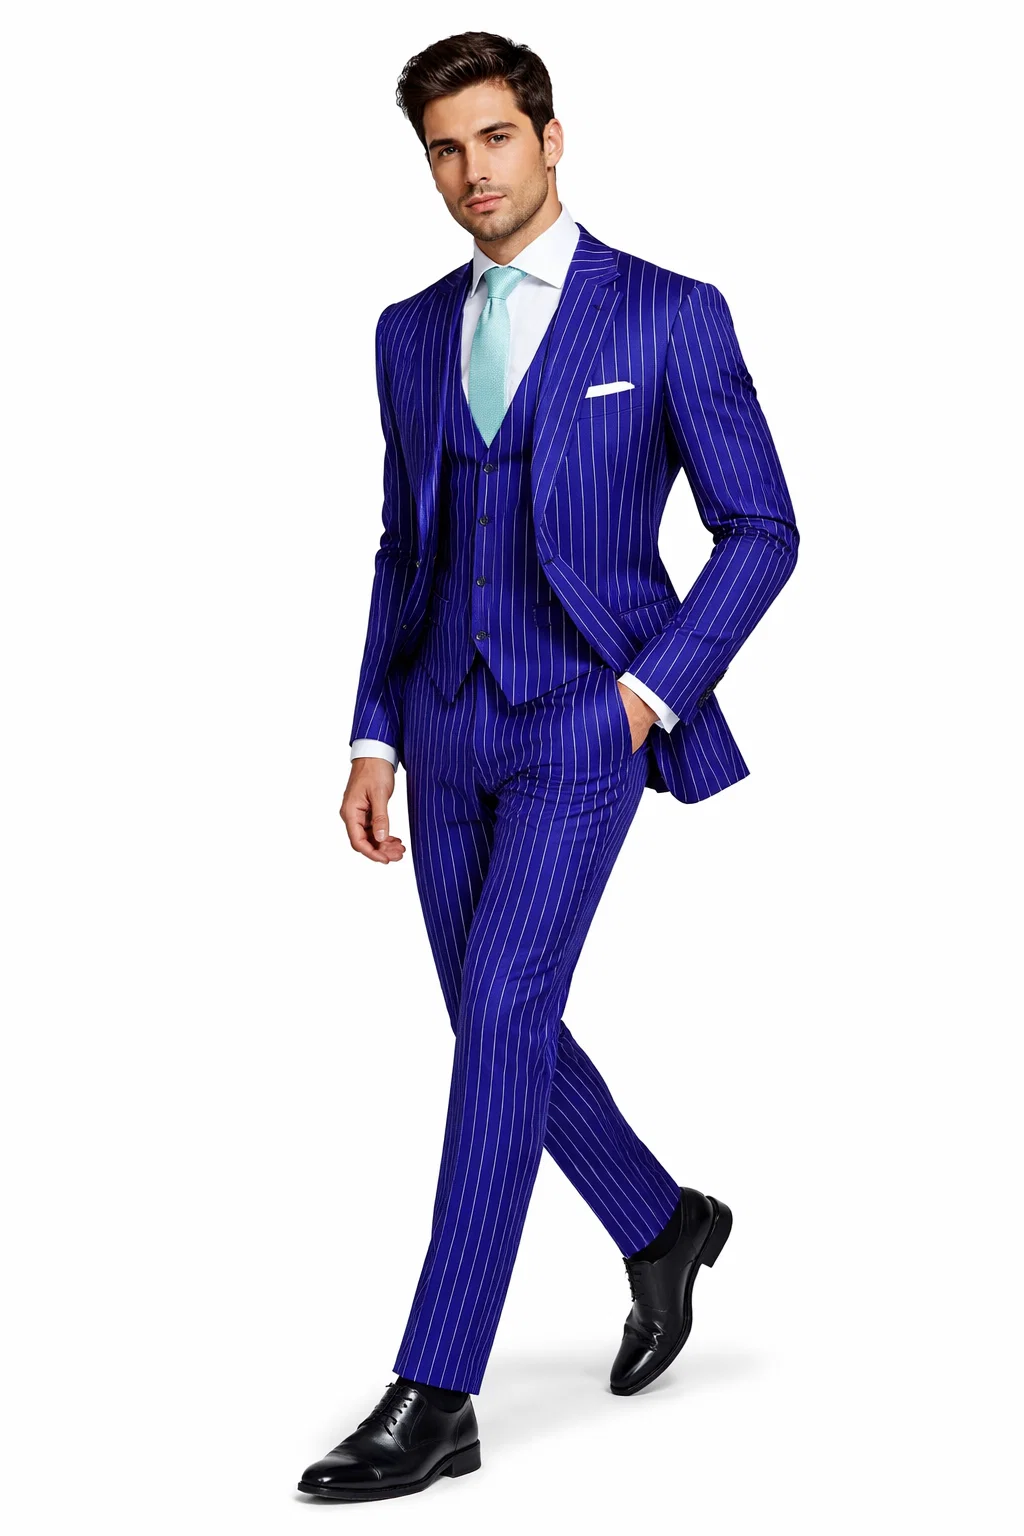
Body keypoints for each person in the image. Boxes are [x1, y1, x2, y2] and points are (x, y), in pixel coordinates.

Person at [299, 29, 799, 1502]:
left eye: (496, 138)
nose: (473, 172)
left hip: (583, 718)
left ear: (552, 138)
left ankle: (436, 1386)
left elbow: (763, 528)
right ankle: (662, 1225)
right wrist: (372, 728)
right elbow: (403, 544)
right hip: (441, 723)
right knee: (494, 1022)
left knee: (504, 1012)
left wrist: (648, 696)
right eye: (445, 150)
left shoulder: (668, 313)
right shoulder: (406, 333)